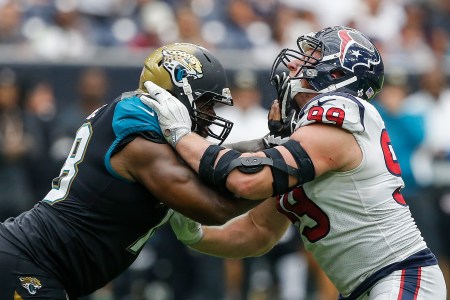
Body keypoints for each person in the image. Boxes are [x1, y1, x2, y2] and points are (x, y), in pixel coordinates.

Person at [142, 26, 447, 299]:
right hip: (368, 287)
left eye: (311, 56)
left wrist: (181, 135)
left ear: (338, 74)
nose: (293, 63)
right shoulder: (308, 138)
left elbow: (246, 179)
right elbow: (256, 232)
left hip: (401, 277)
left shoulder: (342, 113)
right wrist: (194, 234)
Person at [0, 43, 259, 299]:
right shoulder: (139, 141)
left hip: (38, 266)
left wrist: (269, 146)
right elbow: (213, 208)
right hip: (29, 263)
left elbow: (211, 160)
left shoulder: (145, 127)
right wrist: (286, 172)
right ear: (176, 94)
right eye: (205, 103)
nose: (212, 115)